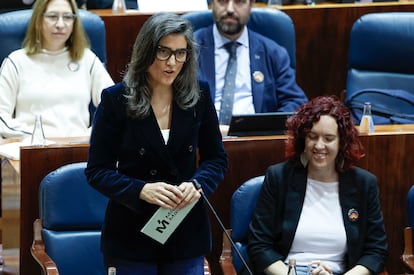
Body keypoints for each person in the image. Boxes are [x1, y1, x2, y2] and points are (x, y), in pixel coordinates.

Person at [84, 12, 228, 275]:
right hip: (131, 233)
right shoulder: (116, 100)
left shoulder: (200, 95)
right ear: (146, 50)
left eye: (180, 53)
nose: (172, 63)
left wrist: (197, 184)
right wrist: (141, 190)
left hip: (185, 231)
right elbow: (97, 171)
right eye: (164, 52)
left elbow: (216, 159)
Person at [248, 96, 387, 275]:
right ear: (303, 140)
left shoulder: (364, 184)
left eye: (329, 139)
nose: (319, 145)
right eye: (312, 137)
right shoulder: (279, 177)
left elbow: (376, 251)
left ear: (341, 143)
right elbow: (259, 245)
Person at [0, 0, 114, 139]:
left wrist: (90, 135)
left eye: (67, 17)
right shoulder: (16, 61)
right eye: (52, 16)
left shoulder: (87, 59)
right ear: (38, 20)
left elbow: (113, 106)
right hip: (30, 148)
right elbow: (1, 118)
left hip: (78, 149)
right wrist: (41, 138)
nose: (60, 24)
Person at [193, 0, 307, 125]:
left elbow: (296, 102)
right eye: (223, 1)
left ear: (251, 5)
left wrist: (266, 127)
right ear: (212, 4)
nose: (230, 9)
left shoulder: (273, 53)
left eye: (239, 2)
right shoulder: (190, 49)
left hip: (256, 137)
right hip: (202, 138)